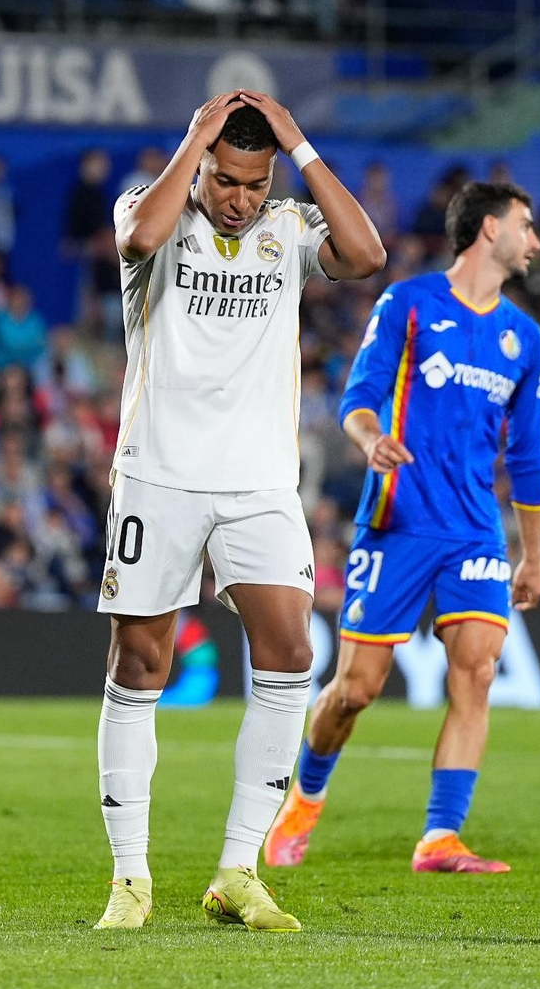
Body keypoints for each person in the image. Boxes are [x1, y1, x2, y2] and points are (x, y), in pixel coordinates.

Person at [92, 91, 384, 932]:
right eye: (228, 180)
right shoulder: (150, 214)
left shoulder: (287, 227)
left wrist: (297, 142)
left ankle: (237, 867)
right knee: (140, 660)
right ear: (204, 165)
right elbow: (140, 236)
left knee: (291, 648)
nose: (242, 199)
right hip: (160, 473)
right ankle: (131, 876)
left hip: (258, 481)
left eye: (256, 183)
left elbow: (366, 253)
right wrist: (194, 139)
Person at [263, 181, 540, 876]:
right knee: (357, 686)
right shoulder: (409, 305)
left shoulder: (525, 336)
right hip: (400, 520)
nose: (536, 240)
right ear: (488, 229)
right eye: (526, 225)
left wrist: (532, 554)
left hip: (477, 528)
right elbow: (359, 398)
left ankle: (440, 836)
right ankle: (304, 796)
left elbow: (529, 451)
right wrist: (368, 441)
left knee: (476, 672)